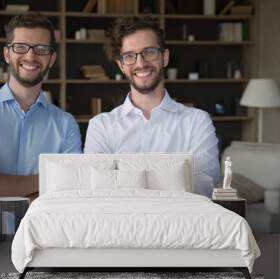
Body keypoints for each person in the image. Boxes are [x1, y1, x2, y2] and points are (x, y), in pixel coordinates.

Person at [0, 13, 82, 234]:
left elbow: (68, 194)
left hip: (43, 242)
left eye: (40, 49)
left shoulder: (65, 124)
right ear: (7, 53)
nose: (30, 56)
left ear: (51, 58)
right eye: (21, 47)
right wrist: (46, 181)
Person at [84, 16, 220, 197]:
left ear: (164, 57)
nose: (140, 63)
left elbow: (203, 185)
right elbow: (99, 190)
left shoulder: (197, 122)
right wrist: (173, 179)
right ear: (121, 65)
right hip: (121, 223)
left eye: (149, 52)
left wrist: (129, 181)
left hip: (181, 222)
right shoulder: (101, 126)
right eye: (130, 56)